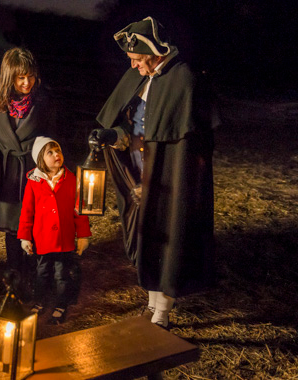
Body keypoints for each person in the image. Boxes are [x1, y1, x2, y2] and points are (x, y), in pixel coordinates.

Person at [91, 17, 217, 328]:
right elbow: (127, 121)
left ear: (155, 54)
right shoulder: (142, 77)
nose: (133, 67)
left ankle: (162, 311)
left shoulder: (185, 79)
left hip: (169, 175)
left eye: (136, 60)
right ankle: (150, 300)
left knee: (167, 233)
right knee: (144, 232)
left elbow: (191, 139)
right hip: (136, 170)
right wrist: (112, 135)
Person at [0, 47, 54, 295]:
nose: (27, 83)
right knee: (12, 231)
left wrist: (49, 169)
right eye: (20, 77)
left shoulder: (43, 100)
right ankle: (13, 280)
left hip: (34, 172)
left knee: (34, 228)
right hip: (7, 174)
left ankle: (36, 282)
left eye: (31, 77)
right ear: (9, 77)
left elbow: (53, 139)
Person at [18, 137, 91, 324]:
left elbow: (79, 210)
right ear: (40, 158)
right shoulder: (34, 182)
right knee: (42, 272)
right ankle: (40, 301)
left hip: (63, 239)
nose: (56, 155)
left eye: (58, 150)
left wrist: (83, 235)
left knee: (62, 274)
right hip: (42, 239)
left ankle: (61, 305)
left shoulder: (71, 179)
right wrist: (25, 237)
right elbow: (27, 211)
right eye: (50, 152)